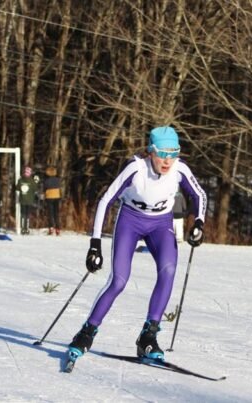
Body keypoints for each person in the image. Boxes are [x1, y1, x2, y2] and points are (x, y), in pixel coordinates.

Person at [67, 126, 207, 364]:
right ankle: (87, 332)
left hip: (161, 225)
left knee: (169, 270)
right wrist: (95, 244)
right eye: (162, 153)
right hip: (130, 222)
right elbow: (106, 200)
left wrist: (200, 222)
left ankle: (148, 336)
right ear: (150, 151)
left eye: (174, 153)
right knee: (118, 281)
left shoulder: (180, 169)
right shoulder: (136, 168)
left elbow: (200, 195)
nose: (168, 160)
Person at [16, 166, 38, 235]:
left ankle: (23, 228)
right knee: (27, 214)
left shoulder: (21, 180)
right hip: (29, 200)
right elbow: (35, 189)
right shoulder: (32, 181)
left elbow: (17, 188)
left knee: (23, 214)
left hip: (22, 199)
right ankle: (27, 228)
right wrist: (36, 182)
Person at [43, 166, 62, 236]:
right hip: (57, 197)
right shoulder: (58, 180)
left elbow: (45, 188)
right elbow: (60, 188)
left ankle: (51, 227)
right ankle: (58, 228)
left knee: (50, 213)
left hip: (49, 197)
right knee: (56, 213)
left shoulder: (46, 180)